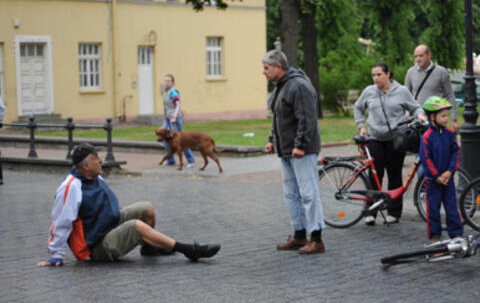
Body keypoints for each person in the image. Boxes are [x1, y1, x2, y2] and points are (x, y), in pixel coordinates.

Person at [38, 143, 220, 267]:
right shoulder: (70, 187)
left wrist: (115, 212)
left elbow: (101, 203)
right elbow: (62, 220)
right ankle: (188, 250)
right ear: (85, 166)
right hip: (96, 247)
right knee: (136, 227)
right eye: (96, 158)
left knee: (146, 208)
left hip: (109, 226)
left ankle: (149, 249)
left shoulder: (94, 176)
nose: (100, 160)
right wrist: (56, 255)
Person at [262, 49, 326, 255]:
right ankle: (299, 235)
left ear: (279, 67)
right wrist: (272, 140)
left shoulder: (298, 86)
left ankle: (316, 239)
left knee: (309, 194)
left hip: (302, 151)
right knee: (291, 194)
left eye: (266, 68)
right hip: (286, 151)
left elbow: (307, 119)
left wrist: (301, 145)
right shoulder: (281, 87)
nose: (263, 72)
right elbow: (278, 117)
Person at [354, 62, 427, 225]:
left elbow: (415, 108)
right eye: (373, 75)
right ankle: (371, 211)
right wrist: (361, 126)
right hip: (374, 138)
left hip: (396, 139)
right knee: (375, 175)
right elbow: (358, 108)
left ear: (388, 74)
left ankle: (394, 212)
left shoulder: (401, 91)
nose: (375, 78)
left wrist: (420, 116)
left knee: (394, 175)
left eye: (379, 74)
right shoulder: (369, 91)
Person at [419, 96, 464, 243]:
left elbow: (455, 152)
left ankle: (456, 234)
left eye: (447, 116)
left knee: (452, 207)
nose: (446, 119)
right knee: (433, 209)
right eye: (443, 116)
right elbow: (426, 158)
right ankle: (435, 236)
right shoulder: (426, 137)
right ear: (432, 117)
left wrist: (450, 171)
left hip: (448, 179)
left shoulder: (450, 134)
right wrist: (436, 176)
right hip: (433, 181)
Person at [404, 44, 458, 133]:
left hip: (436, 119)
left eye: (421, 56)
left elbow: (450, 95)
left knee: (436, 145)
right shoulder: (410, 72)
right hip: (418, 119)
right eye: (416, 56)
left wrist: (454, 119)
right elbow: (405, 97)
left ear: (429, 55)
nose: (418, 59)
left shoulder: (441, 72)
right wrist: (407, 114)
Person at [162, 74, 195, 167]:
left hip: (174, 119)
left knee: (180, 141)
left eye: (168, 81)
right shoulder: (165, 91)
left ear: (172, 82)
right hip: (167, 119)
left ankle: (191, 160)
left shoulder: (173, 92)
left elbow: (178, 104)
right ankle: (170, 159)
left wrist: (174, 116)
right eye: (165, 80)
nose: (166, 82)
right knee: (164, 138)